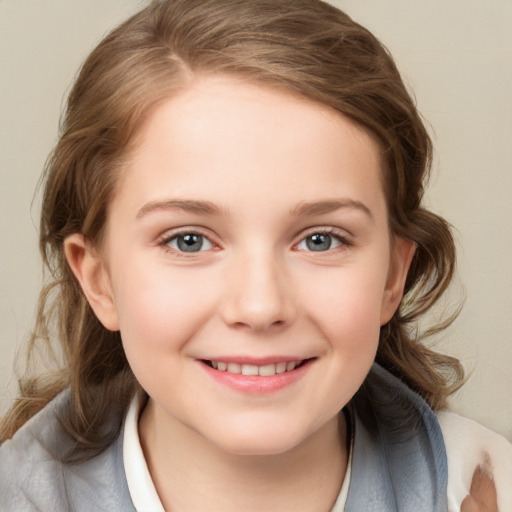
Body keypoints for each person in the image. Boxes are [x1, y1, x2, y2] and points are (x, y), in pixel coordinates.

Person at [0, 0, 510, 510]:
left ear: (392, 277)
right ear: (100, 280)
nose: (260, 307)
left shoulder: (485, 488)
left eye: (320, 239)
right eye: (188, 240)